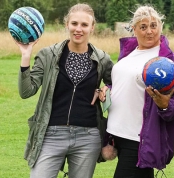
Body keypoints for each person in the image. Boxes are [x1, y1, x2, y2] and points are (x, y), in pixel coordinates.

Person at [16, 3, 113, 178]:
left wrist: (106, 89)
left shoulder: (102, 59)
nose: (78, 29)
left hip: (88, 136)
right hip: (51, 134)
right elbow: (26, 91)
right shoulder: (48, 55)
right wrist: (25, 56)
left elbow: (117, 86)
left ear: (92, 27)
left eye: (84, 25)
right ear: (66, 24)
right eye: (74, 23)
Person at [99, 5, 174, 178]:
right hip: (117, 134)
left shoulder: (168, 62)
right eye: (143, 27)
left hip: (138, 139)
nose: (149, 32)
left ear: (160, 27)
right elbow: (126, 83)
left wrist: (165, 105)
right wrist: (107, 90)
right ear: (134, 29)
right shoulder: (129, 53)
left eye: (153, 26)